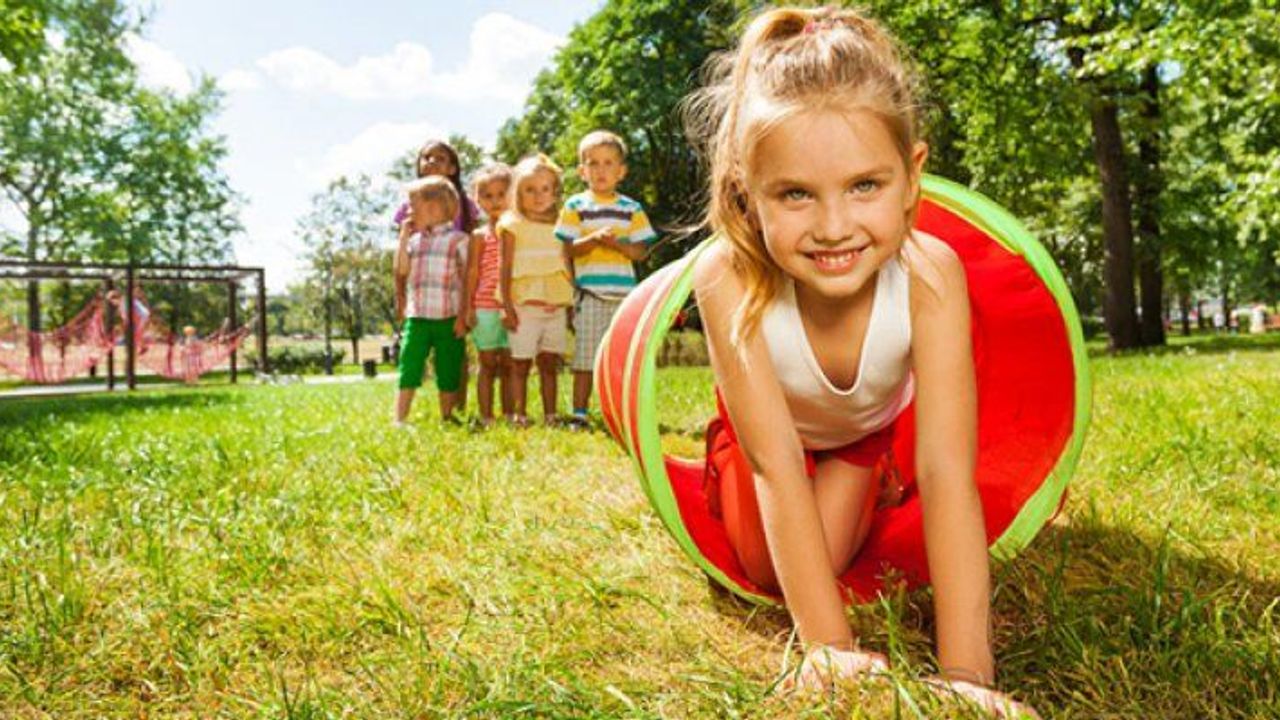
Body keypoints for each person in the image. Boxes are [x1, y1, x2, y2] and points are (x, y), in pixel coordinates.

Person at [685, 7, 1037, 717]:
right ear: (747, 196)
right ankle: (713, 464)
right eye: (795, 194)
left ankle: (872, 477)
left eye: (864, 186)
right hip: (765, 444)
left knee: (834, 551)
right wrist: (827, 650)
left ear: (913, 178)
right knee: (762, 567)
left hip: (857, 439)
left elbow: (946, 473)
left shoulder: (931, 273)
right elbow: (774, 465)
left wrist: (969, 673)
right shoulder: (729, 278)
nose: (835, 226)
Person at [555, 130, 657, 428]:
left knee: (623, 359)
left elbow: (640, 253)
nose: (601, 170)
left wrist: (617, 245)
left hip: (625, 297)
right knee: (586, 357)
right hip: (591, 295)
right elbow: (568, 249)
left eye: (609, 163)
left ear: (621, 171)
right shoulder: (576, 206)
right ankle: (580, 412)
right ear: (582, 171)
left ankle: (624, 412)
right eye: (593, 164)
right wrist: (596, 238)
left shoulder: (631, 209)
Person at [394, 139, 479, 410]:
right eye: (426, 157)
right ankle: (403, 412)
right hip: (419, 303)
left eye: (439, 158)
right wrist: (399, 298)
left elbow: (470, 260)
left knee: (453, 361)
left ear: (453, 167)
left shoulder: (463, 206)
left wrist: (467, 308)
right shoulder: (411, 207)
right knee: (412, 360)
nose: (431, 162)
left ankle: (457, 408)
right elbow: (400, 267)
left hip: (449, 304)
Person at [498, 154, 574, 427]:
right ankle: (520, 414)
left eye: (545, 189)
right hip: (523, 307)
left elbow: (567, 264)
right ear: (518, 193)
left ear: (554, 192)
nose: (538, 195)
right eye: (530, 189)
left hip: (555, 307)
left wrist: (572, 303)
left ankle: (551, 415)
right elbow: (504, 268)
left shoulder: (563, 224)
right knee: (520, 363)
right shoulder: (511, 224)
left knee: (549, 364)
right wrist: (506, 306)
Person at [465, 163, 516, 426]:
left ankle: (510, 414)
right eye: (488, 196)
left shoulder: (519, 230)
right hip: (484, 307)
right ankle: (486, 416)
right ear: (478, 200)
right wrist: (467, 308)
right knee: (487, 364)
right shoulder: (479, 235)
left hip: (512, 306)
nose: (495, 201)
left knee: (509, 364)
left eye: (502, 194)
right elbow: (472, 273)